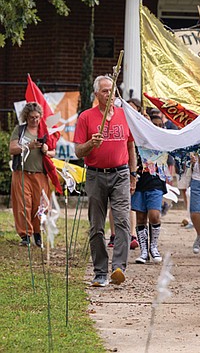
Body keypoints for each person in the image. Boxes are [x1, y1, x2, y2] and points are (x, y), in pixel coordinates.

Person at [74, 75, 137, 287]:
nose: (109, 95)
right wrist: (91, 143)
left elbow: (131, 146)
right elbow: (79, 151)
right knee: (97, 226)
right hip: (95, 174)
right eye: (104, 91)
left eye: (111, 90)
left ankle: (119, 268)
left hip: (120, 174)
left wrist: (133, 173)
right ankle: (100, 271)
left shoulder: (124, 115)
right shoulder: (86, 117)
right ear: (96, 94)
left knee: (122, 222)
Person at [9, 102, 55, 247]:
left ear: (41, 117)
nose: (34, 120)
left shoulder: (44, 132)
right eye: (31, 118)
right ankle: (25, 235)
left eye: (37, 117)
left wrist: (47, 151)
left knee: (40, 205)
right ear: (26, 117)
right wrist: (27, 146)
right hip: (22, 172)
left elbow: (54, 152)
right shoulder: (20, 130)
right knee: (23, 204)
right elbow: (12, 148)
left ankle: (38, 232)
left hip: (40, 174)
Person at [131, 114, 167, 264]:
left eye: (160, 125)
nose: (157, 128)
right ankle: (144, 251)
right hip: (139, 182)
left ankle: (154, 247)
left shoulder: (164, 141)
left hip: (156, 182)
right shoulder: (139, 141)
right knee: (140, 217)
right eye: (154, 125)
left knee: (154, 215)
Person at [108, 97, 142, 250]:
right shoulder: (121, 121)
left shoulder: (142, 126)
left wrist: (133, 174)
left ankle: (132, 234)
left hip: (134, 170)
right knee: (114, 204)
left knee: (130, 204)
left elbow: (132, 150)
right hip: (119, 169)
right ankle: (115, 234)